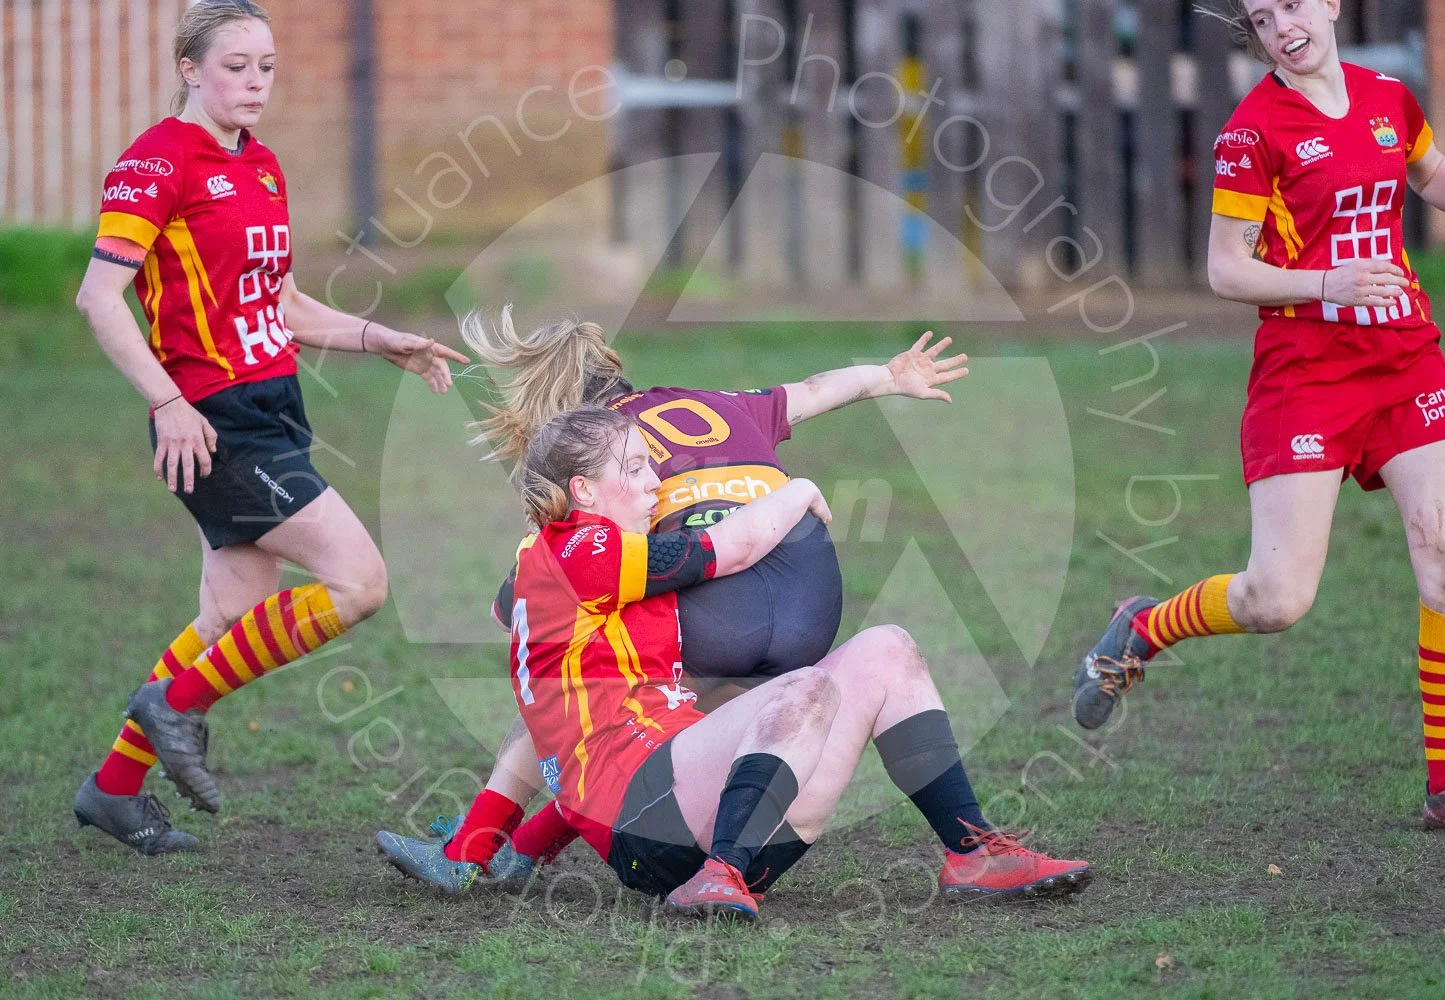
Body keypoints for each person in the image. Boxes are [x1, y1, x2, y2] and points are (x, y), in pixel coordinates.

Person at [378, 406, 1092, 916]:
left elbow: (568, 733)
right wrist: (801, 493)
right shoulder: (581, 548)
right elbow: (735, 547)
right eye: (634, 467)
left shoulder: (591, 563)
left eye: (649, 462)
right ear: (584, 493)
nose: (656, 479)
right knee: (804, 689)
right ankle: (718, 874)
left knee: (888, 649)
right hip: (648, 826)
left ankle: (973, 851)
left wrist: (519, 843)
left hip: (670, 804)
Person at [71, 0, 469, 854]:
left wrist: (378, 338)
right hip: (210, 422)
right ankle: (174, 707)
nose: (255, 83)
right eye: (235, 66)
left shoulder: (262, 165)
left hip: (274, 406)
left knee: (231, 615)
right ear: (190, 69)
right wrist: (167, 402)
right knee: (359, 582)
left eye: (267, 67)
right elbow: (99, 298)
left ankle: (113, 790)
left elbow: (280, 304)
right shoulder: (154, 164)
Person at [1072, 0, 1445, 831]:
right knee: (1277, 600)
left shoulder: (1387, 96)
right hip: (1307, 380)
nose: (1284, 26)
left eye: (1294, 5)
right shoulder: (1252, 132)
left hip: (1407, 362)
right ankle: (1143, 626)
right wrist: (1329, 283)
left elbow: (1428, 172)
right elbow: (1225, 269)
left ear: (1329, 3)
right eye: (1262, 19)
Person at [404, 307, 969, 880]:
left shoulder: (601, 456)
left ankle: (484, 848)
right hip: (812, 603)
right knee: (674, 714)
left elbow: (519, 607)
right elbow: (816, 389)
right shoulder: (717, 401)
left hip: (716, 609)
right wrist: (889, 376)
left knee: (578, 686)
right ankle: (970, 848)